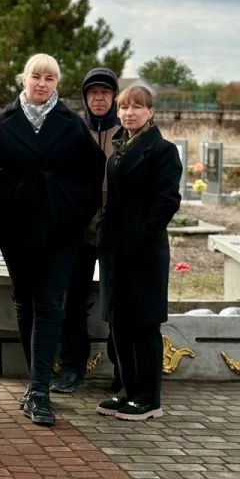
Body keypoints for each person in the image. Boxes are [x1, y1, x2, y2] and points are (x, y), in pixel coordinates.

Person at [0, 53, 103, 427]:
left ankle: (39, 391)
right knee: (25, 301)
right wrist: (5, 211)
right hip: (17, 229)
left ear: (57, 84)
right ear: (24, 79)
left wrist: (70, 210)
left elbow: (92, 175)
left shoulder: (70, 124)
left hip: (60, 231)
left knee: (51, 303)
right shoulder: (2, 125)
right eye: (36, 76)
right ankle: (36, 380)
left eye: (49, 79)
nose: (42, 84)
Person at [97, 86, 181, 421]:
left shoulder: (162, 151)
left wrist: (141, 236)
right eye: (124, 107)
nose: (129, 113)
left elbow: (167, 201)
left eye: (137, 107)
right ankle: (128, 392)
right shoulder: (118, 150)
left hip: (144, 252)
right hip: (116, 250)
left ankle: (149, 398)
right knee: (119, 322)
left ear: (151, 112)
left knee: (144, 324)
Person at [54, 67, 123, 394]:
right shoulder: (73, 130)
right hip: (77, 232)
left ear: (114, 98)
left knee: (119, 302)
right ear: (85, 97)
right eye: (93, 93)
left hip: (116, 231)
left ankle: (123, 370)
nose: (98, 98)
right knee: (72, 301)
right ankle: (72, 368)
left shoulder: (126, 134)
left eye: (105, 93)